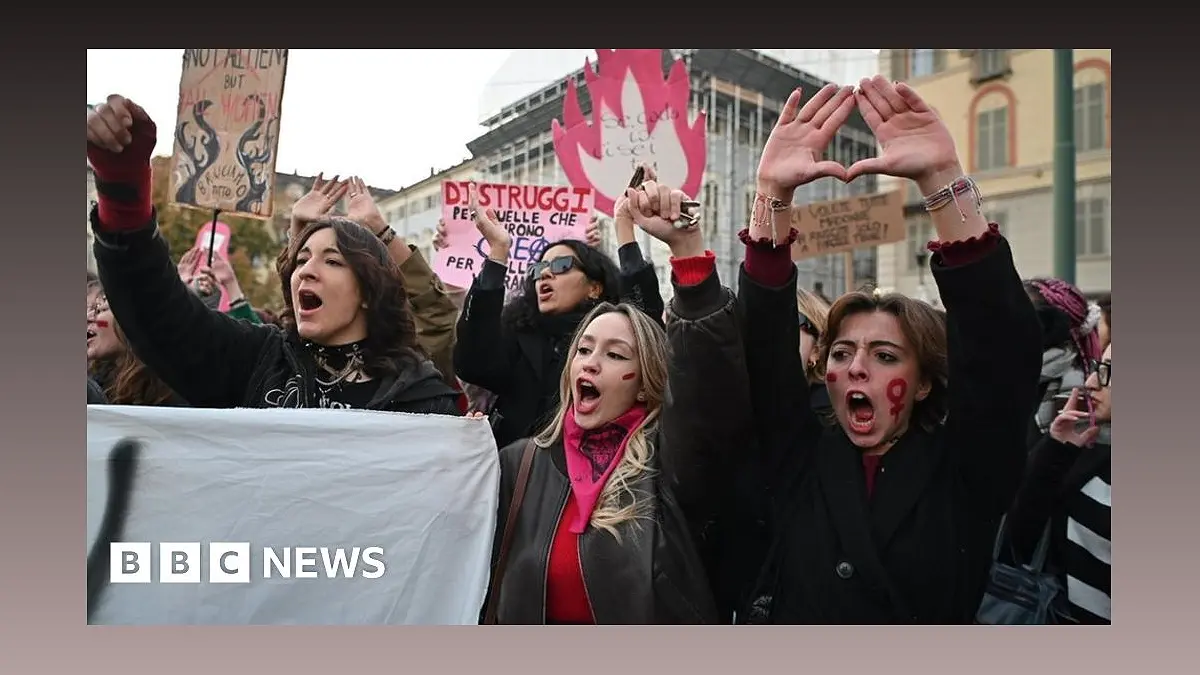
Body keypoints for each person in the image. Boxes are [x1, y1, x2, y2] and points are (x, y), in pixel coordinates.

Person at [695, 77, 1043, 623]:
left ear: (924, 381)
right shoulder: (801, 456)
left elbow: (999, 354)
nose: (855, 366)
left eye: (884, 356)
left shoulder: (967, 468)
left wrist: (941, 180)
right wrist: (771, 196)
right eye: (841, 353)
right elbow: (763, 346)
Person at [482, 178, 751, 624]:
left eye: (614, 354)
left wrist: (686, 249)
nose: (590, 363)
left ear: (645, 383)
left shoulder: (671, 466)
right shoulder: (520, 466)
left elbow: (708, 384)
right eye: (584, 350)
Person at [86, 94, 460, 415]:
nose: (306, 271)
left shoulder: (419, 397)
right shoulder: (259, 360)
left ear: (369, 291)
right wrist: (123, 186)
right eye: (300, 261)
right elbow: (157, 315)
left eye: (332, 261)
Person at [453, 184, 625, 448]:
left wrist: (625, 228)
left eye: (560, 266)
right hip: (517, 474)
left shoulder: (617, 337)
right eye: (539, 268)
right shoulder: (518, 335)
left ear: (594, 287)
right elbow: (473, 363)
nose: (545, 274)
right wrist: (498, 251)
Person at [1004, 345, 1112, 624]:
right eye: (1099, 366)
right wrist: (1054, 449)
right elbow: (1020, 534)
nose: (1090, 383)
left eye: (1109, 373)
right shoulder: (1090, 452)